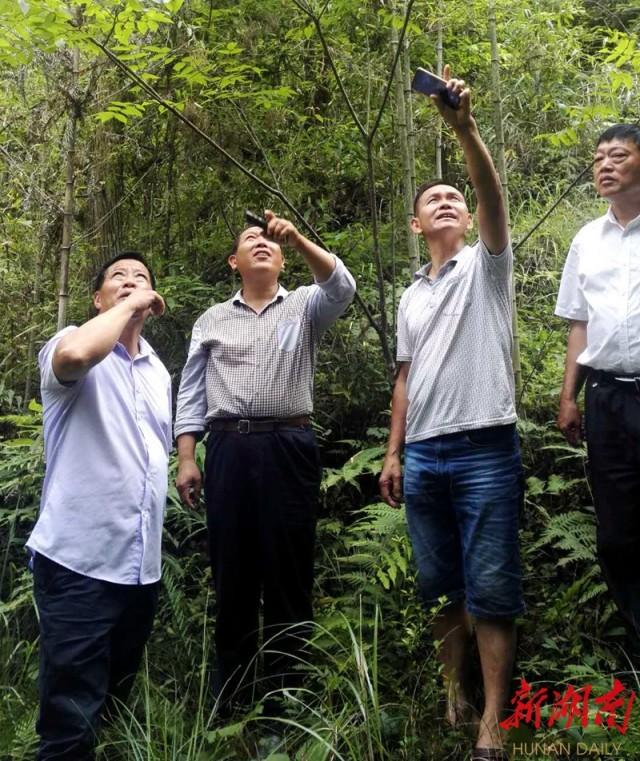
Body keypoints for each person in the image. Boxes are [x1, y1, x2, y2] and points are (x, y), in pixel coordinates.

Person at [378, 66, 523, 761]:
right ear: (415, 223)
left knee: (492, 586)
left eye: (452, 197)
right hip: (426, 453)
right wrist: (392, 450)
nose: (444, 201)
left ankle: (492, 721)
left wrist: (464, 130)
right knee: (441, 583)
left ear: (467, 218)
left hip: (486, 447)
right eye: (430, 198)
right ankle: (452, 689)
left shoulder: (487, 266)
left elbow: (492, 194)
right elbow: (404, 376)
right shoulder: (409, 295)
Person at [174, 211, 355, 711]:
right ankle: (230, 697)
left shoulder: (303, 305)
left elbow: (342, 286)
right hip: (228, 448)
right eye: (249, 240)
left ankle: (286, 694)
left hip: (289, 446)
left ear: (280, 258)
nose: (260, 244)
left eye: (268, 241)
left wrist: (295, 236)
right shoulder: (211, 318)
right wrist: (188, 458)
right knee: (231, 570)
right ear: (234, 262)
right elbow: (190, 394)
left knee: (288, 570)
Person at [27, 252, 171, 759]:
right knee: (70, 722)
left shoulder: (158, 372)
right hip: (78, 564)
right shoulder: (70, 344)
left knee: (110, 706)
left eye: (142, 278)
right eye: (119, 278)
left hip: (139, 572)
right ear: (97, 298)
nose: (132, 282)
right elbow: (76, 357)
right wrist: (129, 305)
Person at [556, 123, 640, 658]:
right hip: (606, 398)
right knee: (616, 532)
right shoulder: (587, 239)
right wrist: (569, 396)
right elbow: (579, 324)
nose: (604, 165)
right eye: (598, 159)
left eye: (618, 155)